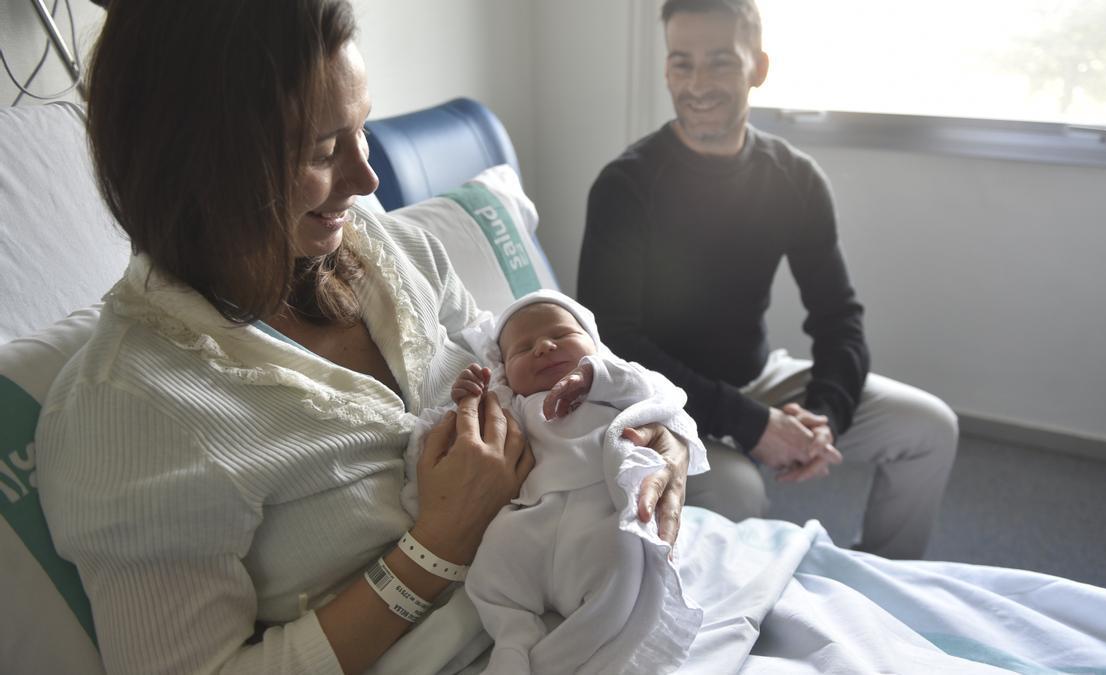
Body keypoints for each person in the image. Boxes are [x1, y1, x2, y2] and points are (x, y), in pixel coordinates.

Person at [34, 2, 690, 674]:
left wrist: (653, 435)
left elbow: (521, 353)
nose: (367, 179)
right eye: (323, 151)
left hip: (604, 601)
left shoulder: (385, 248)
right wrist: (437, 545)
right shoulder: (131, 411)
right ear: (203, 166)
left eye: (362, 130)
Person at [578, 0, 958, 559]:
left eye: (721, 63)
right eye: (682, 63)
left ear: (758, 67)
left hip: (760, 379)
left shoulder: (795, 179)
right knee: (737, 490)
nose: (698, 83)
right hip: (660, 399)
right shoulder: (626, 186)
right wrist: (753, 425)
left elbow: (838, 317)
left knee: (930, 430)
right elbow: (615, 341)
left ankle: (885, 578)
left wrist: (824, 416)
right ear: (666, 70)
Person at [403, 290, 708, 674]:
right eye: (522, 349)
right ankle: (513, 645)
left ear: (595, 345)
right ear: (503, 369)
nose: (544, 348)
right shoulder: (512, 405)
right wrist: (469, 401)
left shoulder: (615, 387)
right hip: (530, 519)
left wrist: (594, 376)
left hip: (600, 515)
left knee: (623, 579)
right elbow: (456, 442)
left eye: (561, 336)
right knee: (488, 584)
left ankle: (565, 660)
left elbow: (663, 395)